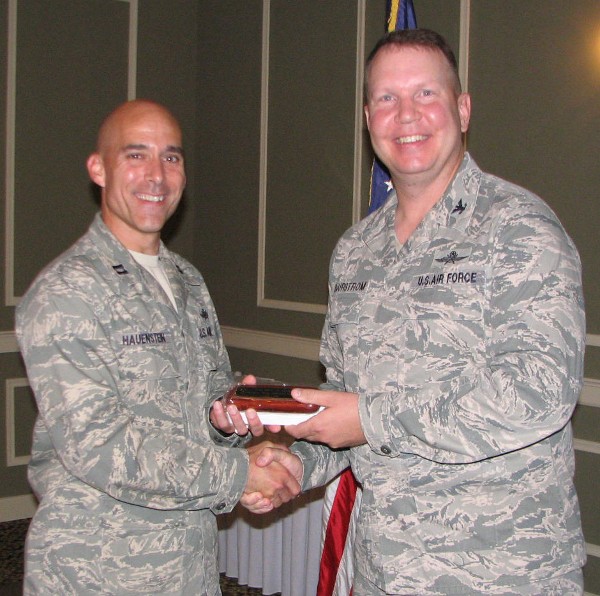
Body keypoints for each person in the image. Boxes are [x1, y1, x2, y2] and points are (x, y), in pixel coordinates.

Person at [228, 29, 587, 594]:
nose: (406, 115)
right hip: (385, 568)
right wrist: (294, 465)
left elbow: (540, 391)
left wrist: (371, 418)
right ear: (369, 117)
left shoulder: (517, 228)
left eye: (426, 94)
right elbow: (345, 402)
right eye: (387, 99)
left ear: (462, 110)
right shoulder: (354, 251)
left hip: (500, 571)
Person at [15, 99, 299, 595]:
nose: (157, 176)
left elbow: (200, 395)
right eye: (135, 155)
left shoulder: (185, 280)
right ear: (98, 169)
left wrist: (227, 414)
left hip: (187, 563)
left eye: (171, 157)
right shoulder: (66, 293)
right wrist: (239, 475)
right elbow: (100, 447)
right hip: (100, 570)